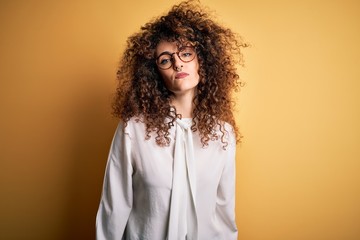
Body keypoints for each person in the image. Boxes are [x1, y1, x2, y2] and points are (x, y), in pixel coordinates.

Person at [96, 1, 247, 239]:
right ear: (155, 74)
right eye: (165, 60)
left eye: (186, 53)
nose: (178, 63)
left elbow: (224, 213)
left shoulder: (223, 133)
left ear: (202, 61)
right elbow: (114, 208)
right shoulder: (132, 130)